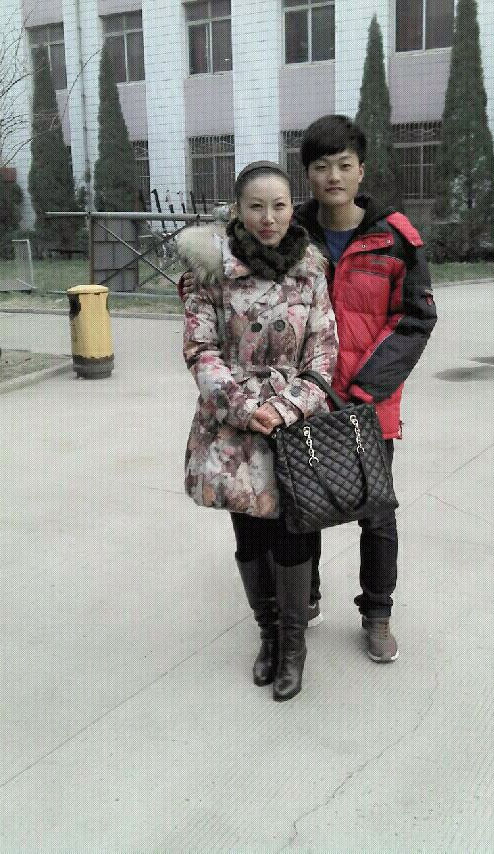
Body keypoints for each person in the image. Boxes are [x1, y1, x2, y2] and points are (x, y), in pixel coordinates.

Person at [178, 161, 338, 701]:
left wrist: (289, 406)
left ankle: (294, 645)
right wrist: (247, 408)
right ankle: (268, 635)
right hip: (234, 428)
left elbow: (324, 351)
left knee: (294, 534)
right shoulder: (209, 271)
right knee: (249, 536)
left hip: (295, 427)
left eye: (279, 205)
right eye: (256, 206)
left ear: (293, 209)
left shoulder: (311, 270)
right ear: (237, 211)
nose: (268, 217)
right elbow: (200, 349)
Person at [293, 115, 437, 663]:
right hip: (303, 397)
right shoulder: (290, 233)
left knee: (375, 512)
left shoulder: (395, 237)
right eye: (321, 166)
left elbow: (414, 319)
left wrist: (363, 389)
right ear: (308, 174)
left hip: (369, 404)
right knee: (301, 502)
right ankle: (304, 598)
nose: (333, 176)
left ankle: (377, 614)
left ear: (361, 171)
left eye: (344, 165)